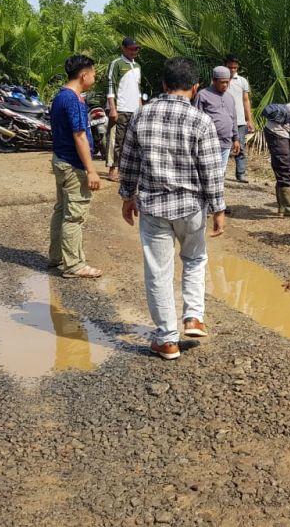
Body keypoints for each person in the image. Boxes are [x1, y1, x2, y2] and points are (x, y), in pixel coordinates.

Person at [117, 57, 226, 359]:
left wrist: (127, 197)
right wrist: (218, 208)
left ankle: (166, 340)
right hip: (191, 207)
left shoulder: (142, 115)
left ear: (163, 85)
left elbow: (128, 162)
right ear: (195, 88)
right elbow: (210, 170)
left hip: (153, 207)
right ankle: (193, 317)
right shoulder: (200, 120)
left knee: (158, 272)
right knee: (194, 259)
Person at [48, 55, 103, 279]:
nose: (94, 77)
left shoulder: (61, 96)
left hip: (61, 159)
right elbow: (79, 135)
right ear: (84, 75)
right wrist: (91, 170)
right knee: (74, 216)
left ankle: (56, 256)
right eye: (93, 73)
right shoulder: (73, 100)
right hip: (73, 164)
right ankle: (74, 265)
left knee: (61, 210)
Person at [106, 36, 142, 182]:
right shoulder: (117, 64)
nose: (135, 51)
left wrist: (140, 106)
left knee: (129, 142)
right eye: (132, 49)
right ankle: (112, 169)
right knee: (116, 140)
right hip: (120, 108)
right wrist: (113, 108)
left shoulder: (137, 66)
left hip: (134, 109)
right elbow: (110, 85)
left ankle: (123, 169)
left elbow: (138, 88)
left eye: (137, 49)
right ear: (124, 48)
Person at [195, 66, 240, 174]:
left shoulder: (229, 97)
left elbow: (233, 118)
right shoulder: (203, 95)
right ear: (214, 80)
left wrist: (236, 139)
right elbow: (196, 119)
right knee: (208, 173)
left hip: (226, 143)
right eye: (222, 82)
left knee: (221, 173)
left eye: (227, 82)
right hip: (209, 142)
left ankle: (218, 191)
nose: (225, 85)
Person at [223, 54, 254, 183]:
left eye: (235, 67)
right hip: (223, 119)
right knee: (222, 146)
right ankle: (220, 172)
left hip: (240, 120)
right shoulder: (218, 80)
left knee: (240, 147)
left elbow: (246, 101)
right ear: (225, 66)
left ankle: (240, 173)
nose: (233, 70)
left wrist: (249, 120)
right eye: (230, 67)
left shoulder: (242, 81)